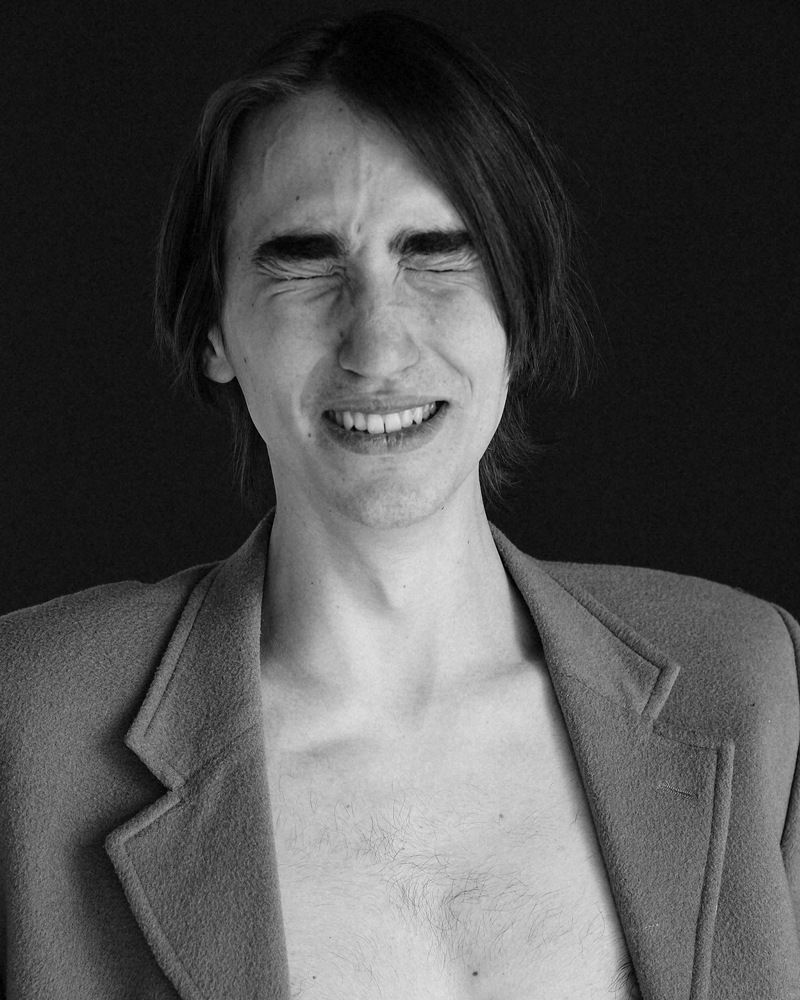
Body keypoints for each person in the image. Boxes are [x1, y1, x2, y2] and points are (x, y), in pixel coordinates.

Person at [1, 10, 798, 1000]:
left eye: (436, 250)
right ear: (213, 330)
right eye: (303, 257)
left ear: (519, 309)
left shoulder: (751, 681)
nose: (376, 345)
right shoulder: (27, 725)